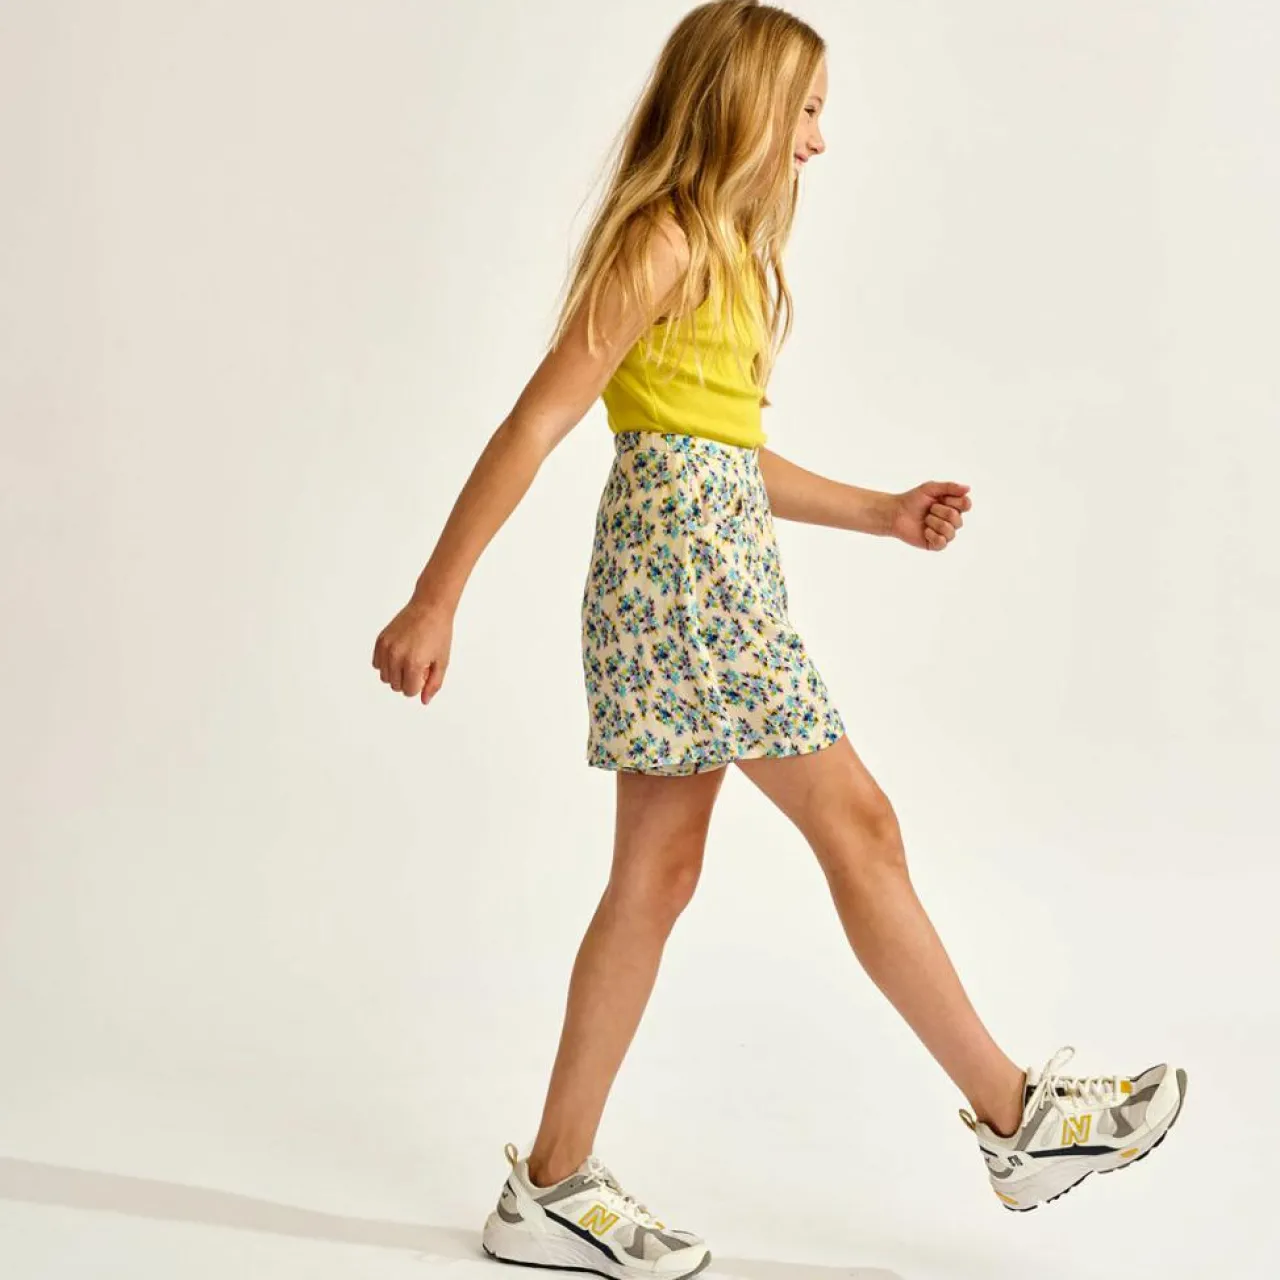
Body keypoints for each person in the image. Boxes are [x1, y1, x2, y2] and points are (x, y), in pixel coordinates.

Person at [371, 3, 1188, 1275]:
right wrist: (437, 595)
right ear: (741, 104)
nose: (816, 140)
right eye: (804, 109)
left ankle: (551, 1184)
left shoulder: (731, 258)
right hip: (686, 580)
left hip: (706, 564)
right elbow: (538, 421)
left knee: (657, 873)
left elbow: (721, 453)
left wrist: (880, 511)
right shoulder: (662, 241)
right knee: (855, 822)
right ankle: (1015, 1117)